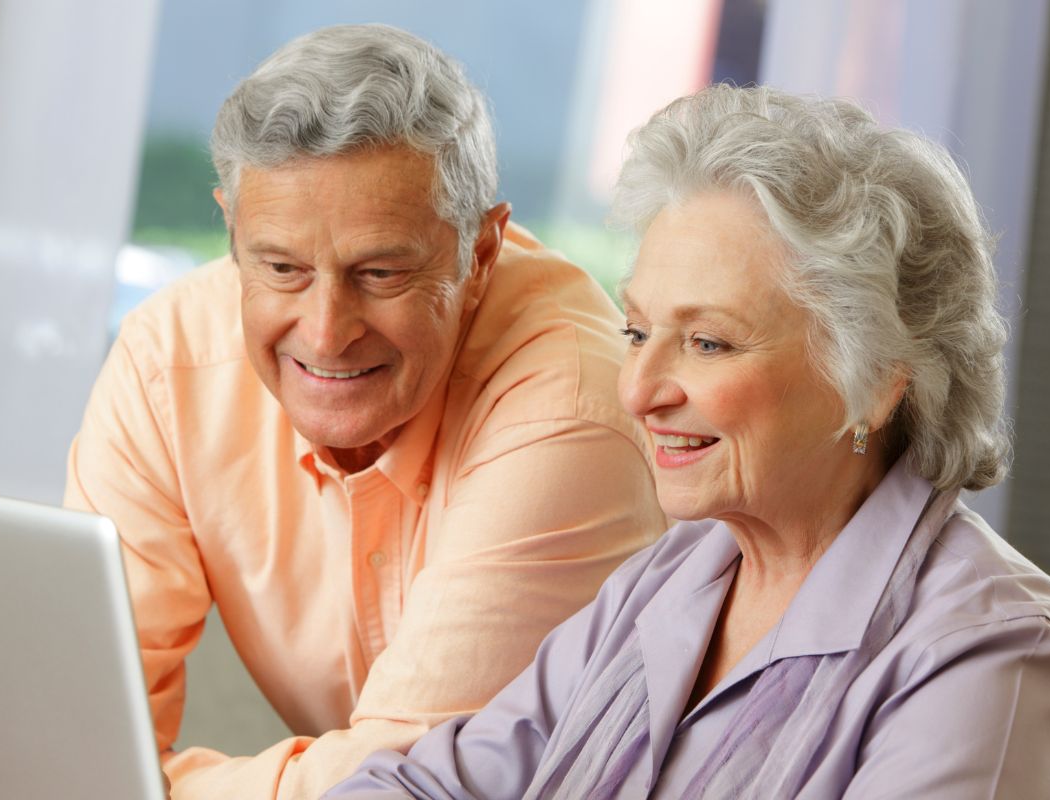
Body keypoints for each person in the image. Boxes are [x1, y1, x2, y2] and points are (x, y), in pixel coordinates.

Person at [325, 85, 1050, 798]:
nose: (638, 390)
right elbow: (431, 786)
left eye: (708, 343)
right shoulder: (670, 576)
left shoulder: (995, 655)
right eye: (637, 331)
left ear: (874, 381)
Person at [64, 24, 666, 799]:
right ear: (232, 231)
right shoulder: (166, 363)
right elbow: (78, 732)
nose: (325, 332)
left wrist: (146, 788)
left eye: (379, 273)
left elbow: (408, 781)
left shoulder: (570, 403)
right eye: (280, 267)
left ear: (479, 255)